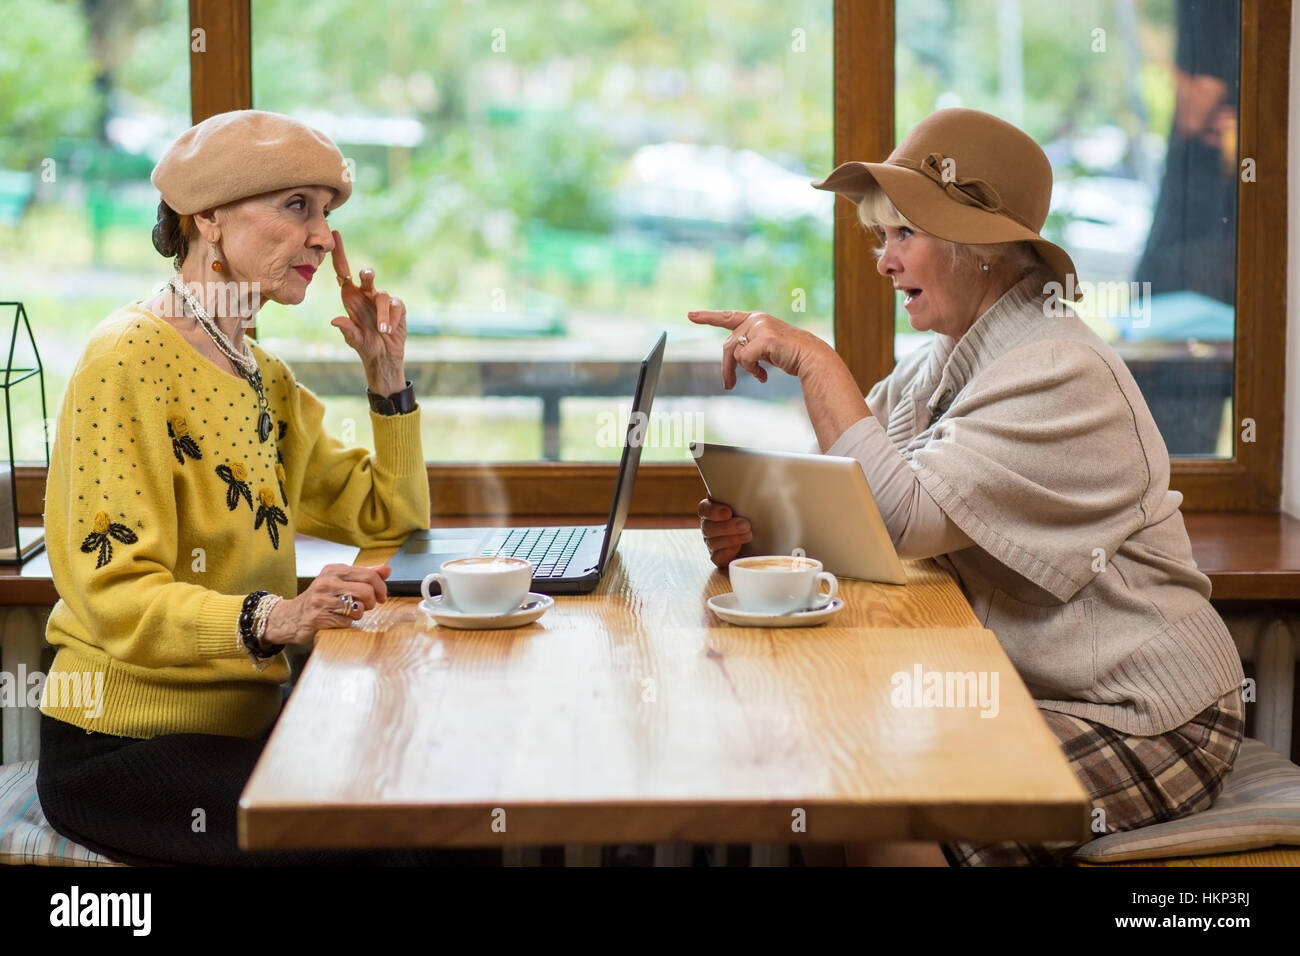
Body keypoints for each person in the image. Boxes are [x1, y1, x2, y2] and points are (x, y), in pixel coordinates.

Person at [690, 107, 1245, 867]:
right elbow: (852, 493)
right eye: (880, 237)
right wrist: (759, 532)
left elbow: (902, 518)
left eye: (903, 235)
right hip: (1028, 686)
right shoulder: (941, 360)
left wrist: (816, 363)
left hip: (1138, 711)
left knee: (890, 822)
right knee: (836, 790)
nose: (883, 262)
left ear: (983, 248)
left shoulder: (1060, 372)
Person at [37, 109, 490, 866]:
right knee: (389, 840)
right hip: (122, 746)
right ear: (207, 217)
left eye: (328, 213)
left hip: (241, 728)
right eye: (296, 207)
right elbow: (113, 593)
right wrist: (276, 618)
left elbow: (393, 515)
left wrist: (386, 378)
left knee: (433, 798)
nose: (323, 237)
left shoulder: (262, 375)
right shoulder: (126, 357)